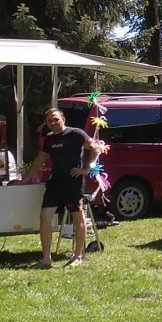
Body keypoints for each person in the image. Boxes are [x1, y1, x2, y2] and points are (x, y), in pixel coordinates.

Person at [19, 108, 100, 268]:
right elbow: (39, 160)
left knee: (78, 217)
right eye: (49, 121)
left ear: (63, 119)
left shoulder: (76, 133)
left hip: (73, 182)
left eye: (56, 119)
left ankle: (77, 256)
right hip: (55, 182)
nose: (53, 123)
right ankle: (46, 259)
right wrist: (23, 181)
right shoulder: (49, 138)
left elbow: (96, 148)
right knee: (44, 217)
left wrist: (86, 169)